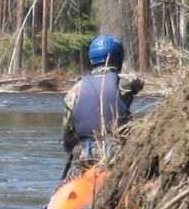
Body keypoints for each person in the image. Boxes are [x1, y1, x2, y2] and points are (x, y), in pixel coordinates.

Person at [61, 34, 143, 179]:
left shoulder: (75, 89)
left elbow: (67, 133)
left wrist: (70, 148)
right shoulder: (125, 83)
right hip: (116, 152)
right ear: (118, 58)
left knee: (69, 179)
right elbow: (138, 82)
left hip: (84, 156)